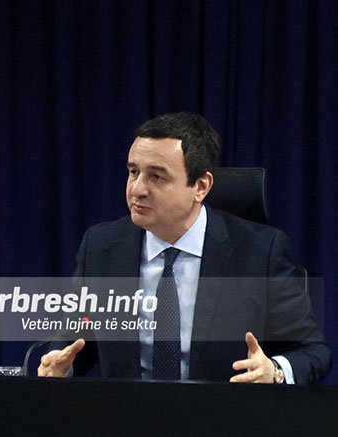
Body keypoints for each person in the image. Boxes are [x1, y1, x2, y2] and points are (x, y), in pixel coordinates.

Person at [38, 112, 330, 383]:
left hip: (224, 414)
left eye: (156, 176)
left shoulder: (259, 251)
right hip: (126, 414)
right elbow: (77, 339)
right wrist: (60, 363)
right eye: (133, 172)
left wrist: (274, 370)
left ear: (201, 186)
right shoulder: (102, 246)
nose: (137, 189)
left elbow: (313, 352)